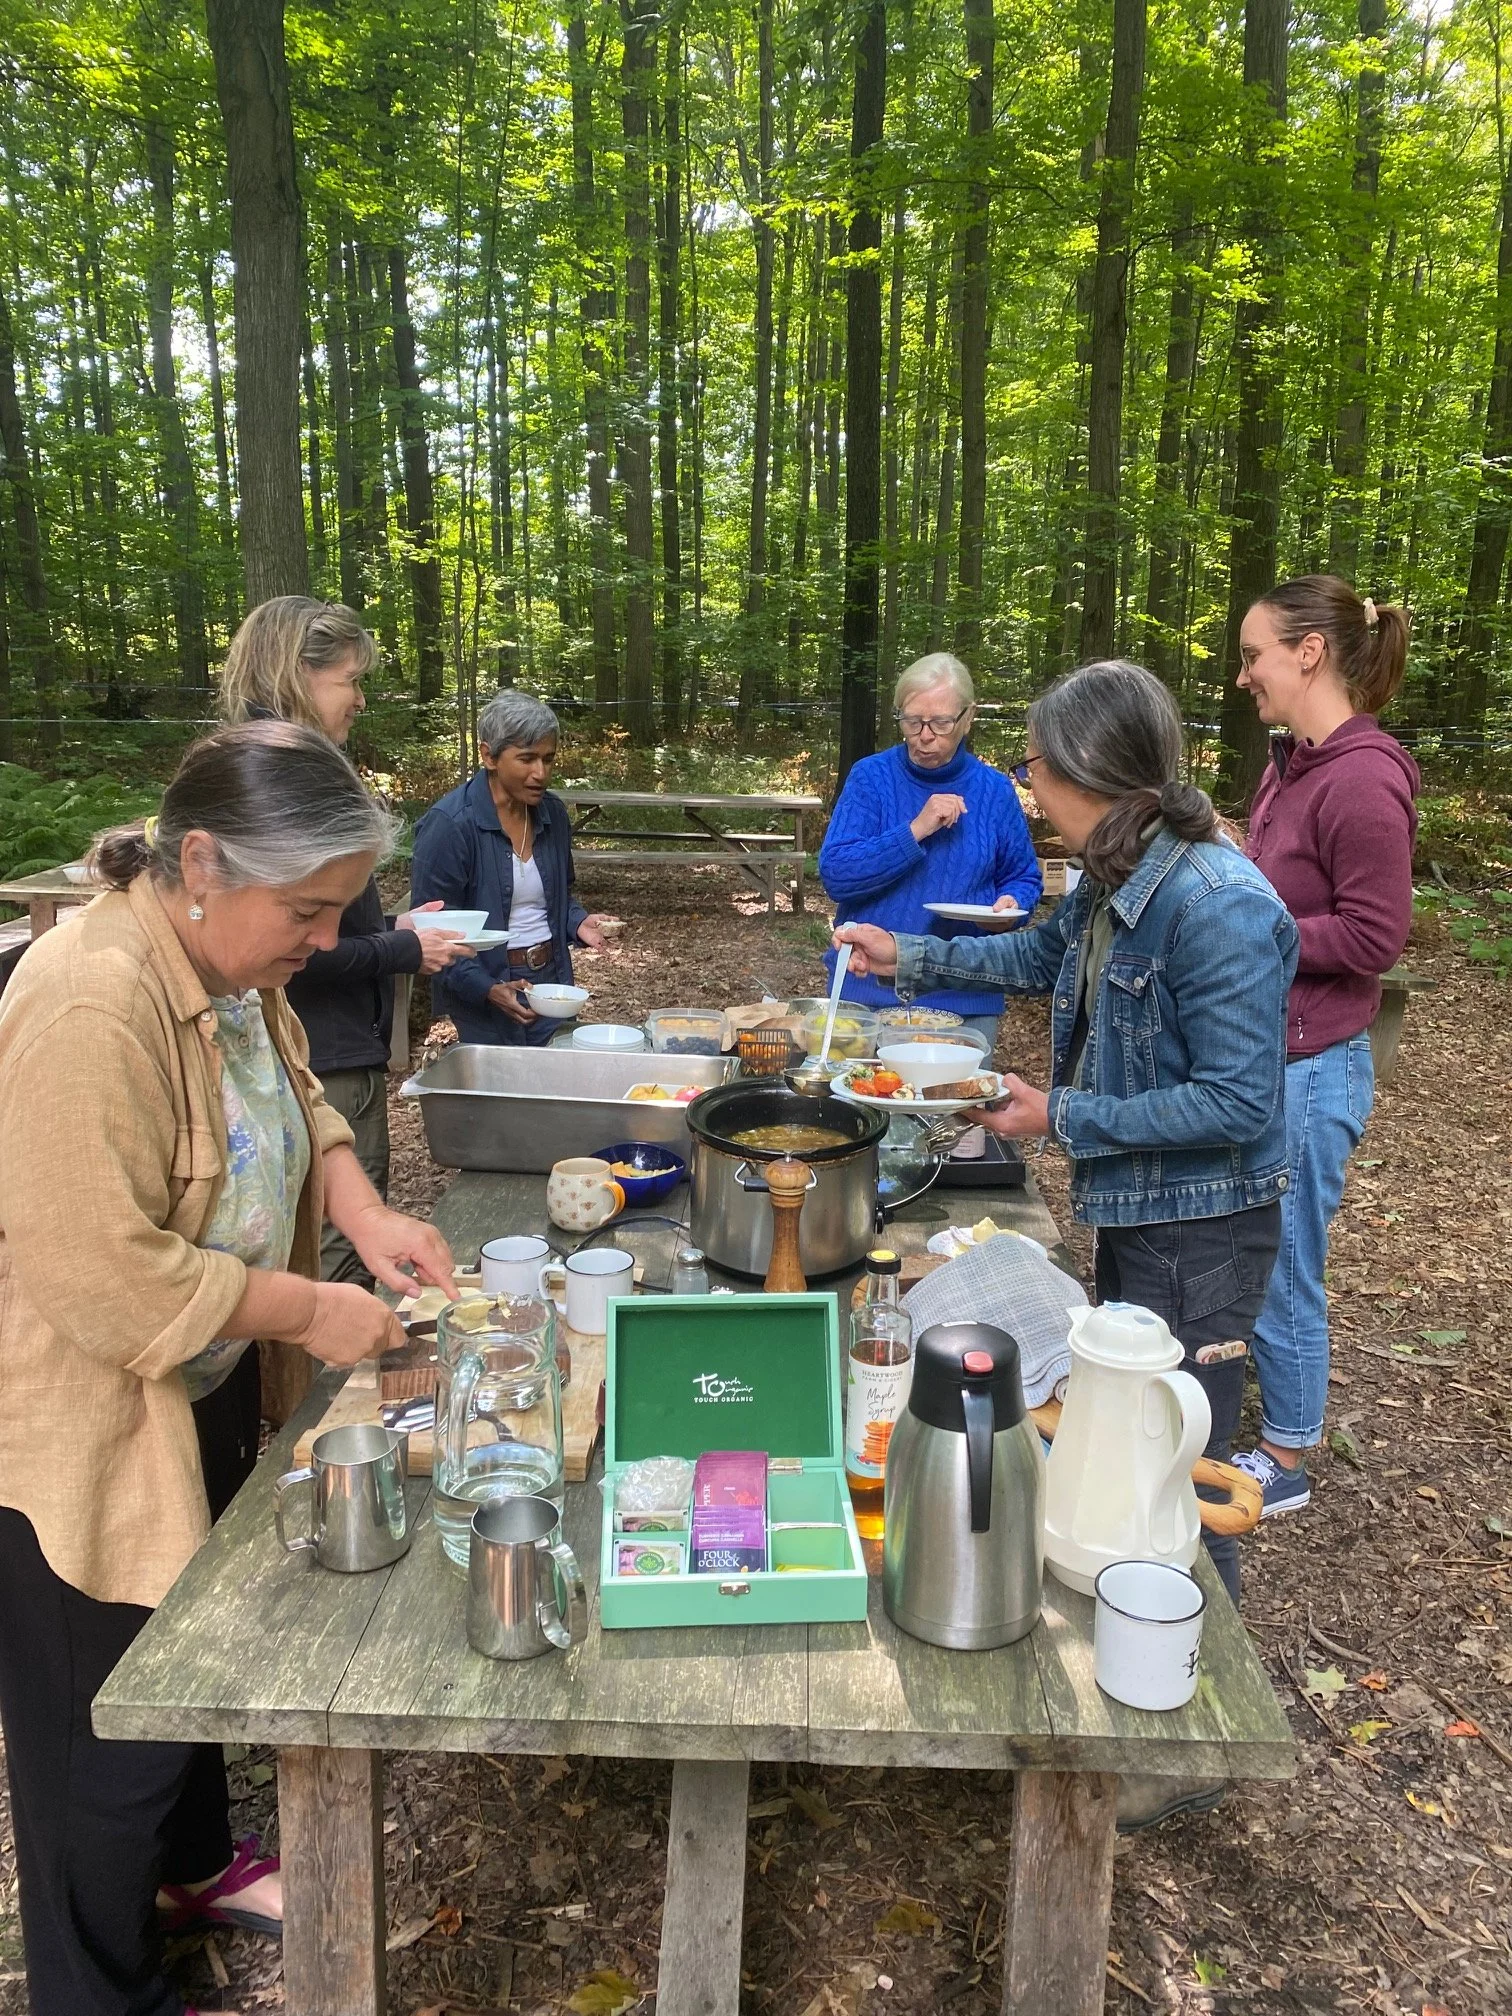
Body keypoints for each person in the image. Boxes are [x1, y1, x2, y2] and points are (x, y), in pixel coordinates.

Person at [0, 720, 457, 2016]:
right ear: (200, 861)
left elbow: (299, 1096)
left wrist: (360, 1207)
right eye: (306, 912)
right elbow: (101, 1275)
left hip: (192, 1382)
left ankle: (191, 1874)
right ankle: (98, 1990)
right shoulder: (90, 999)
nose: (324, 941)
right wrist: (307, 1309)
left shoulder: (228, 964)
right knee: (103, 1750)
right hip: (82, 1423)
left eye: (336, 912)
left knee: (184, 1650)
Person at [835, 661, 1298, 1607]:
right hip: (1144, 1208)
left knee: (1177, 1457)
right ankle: (1131, 1608)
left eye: (1034, 764)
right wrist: (906, 952)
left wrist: (1061, 1116)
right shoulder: (1117, 873)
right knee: (1124, 1432)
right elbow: (1036, 954)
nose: (1026, 785)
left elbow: (1239, 1103)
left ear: (1085, 772)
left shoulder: (1218, 904)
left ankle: (1196, 1645)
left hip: (1207, 1231)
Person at [1230, 577, 1418, 1516]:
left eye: (1256, 652)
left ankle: (1289, 1456)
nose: (1242, 674)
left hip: (1319, 1063)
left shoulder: (1364, 776)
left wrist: (1255, 934)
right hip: (1268, 1053)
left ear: (1309, 652)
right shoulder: (1290, 765)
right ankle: (1271, 1420)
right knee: (1260, 1242)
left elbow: (1377, 936)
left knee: (1285, 1255)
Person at [220, 596, 469, 1285]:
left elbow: (322, 930)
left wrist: (392, 928)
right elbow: (304, 950)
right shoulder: (284, 781)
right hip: (321, 1049)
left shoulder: (266, 767)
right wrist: (403, 949)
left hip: (318, 1049)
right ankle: (338, 1389)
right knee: (339, 1262)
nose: (360, 699)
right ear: (297, 673)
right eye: (350, 680)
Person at [818, 653, 1042, 1052]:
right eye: (911, 720)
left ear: (968, 718)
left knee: (953, 1114)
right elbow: (837, 873)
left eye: (940, 723)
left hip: (964, 1001)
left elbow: (1022, 876)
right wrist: (916, 830)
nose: (924, 735)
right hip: (866, 995)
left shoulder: (994, 791)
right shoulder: (871, 778)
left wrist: (1011, 906)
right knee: (864, 1112)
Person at [409, 690, 613, 1045]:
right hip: (486, 984)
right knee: (503, 1095)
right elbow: (434, 931)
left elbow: (557, 896)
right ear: (489, 755)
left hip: (552, 984)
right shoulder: (450, 825)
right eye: (527, 759)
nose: (541, 773)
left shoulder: (552, 815)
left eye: (549, 759)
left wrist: (578, 921)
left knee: (555, 1091)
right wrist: (487, 989)